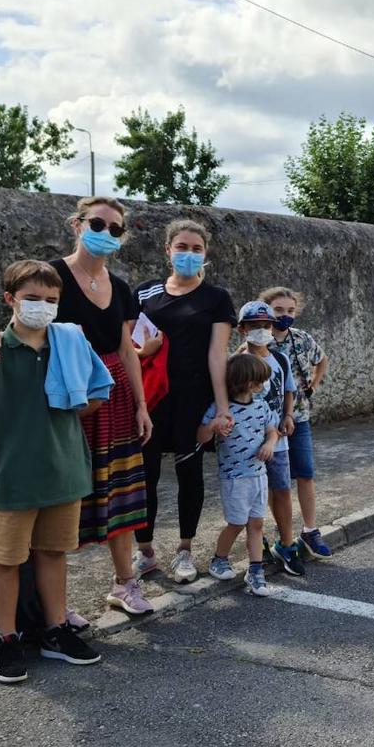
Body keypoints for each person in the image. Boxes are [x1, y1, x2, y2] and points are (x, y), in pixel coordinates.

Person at [0, 197, 154, 617]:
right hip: (65, 393)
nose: (106, 233)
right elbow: (21, 316)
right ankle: (54, 607)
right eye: (98, 223)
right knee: (58, 496)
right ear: (77, 224)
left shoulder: (121, 288)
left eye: (115, 228)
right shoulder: (54, 275)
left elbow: (127, 350)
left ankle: (125, 583)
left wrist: (142, 404)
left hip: (112, 394)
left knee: (120, 491)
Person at [0, 260, 104, 684]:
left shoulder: (68, 344)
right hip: (11, 477)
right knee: (6, 558)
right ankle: (7, 639)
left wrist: (58, 424)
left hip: (62, 472)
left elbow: (95, 395)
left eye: (51, 300)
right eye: (32, 298)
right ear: (10, 299)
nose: (43, 307)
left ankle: (55, 630)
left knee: (53, 553)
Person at [134, 219, 236, 584]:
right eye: (182, 247)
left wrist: (222, 407)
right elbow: (130, 347)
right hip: (151, 397)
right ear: (167, 250)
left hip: (193, 398)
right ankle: (144, 552)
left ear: (205, 254)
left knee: (188, 473)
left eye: (196, 249)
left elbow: (217, 355)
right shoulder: (144, 294)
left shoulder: (217, 298)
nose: (189, 254)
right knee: (144, 476)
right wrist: (146, 351)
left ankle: (184, 551)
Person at [260, 286, 333, 560]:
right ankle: (282, 533)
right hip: (269, 424)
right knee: (276, 482)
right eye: (279, 310)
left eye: (290, 310)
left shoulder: (301, 339)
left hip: (299, 418)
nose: (285, 316)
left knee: (306, 474)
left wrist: (314, 383)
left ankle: (310, 530)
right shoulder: (259, 342)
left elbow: (322, 359)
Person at [198, 354, 279, 596]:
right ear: (245, 381)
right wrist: (212, 426)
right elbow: (201, 437)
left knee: (256, 523)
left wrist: (270, 445)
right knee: (236, 522)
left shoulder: (261, 405)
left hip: (258, 475)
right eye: (259, 380)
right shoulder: (221, 409)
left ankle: (255, 571)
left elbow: (272, 431)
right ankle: (219, 559)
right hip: (235, 478)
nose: (263, 384)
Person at [234, 300, 304, 576]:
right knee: (252, 496)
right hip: (247, 444)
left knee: (282, 490)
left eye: (266, 325)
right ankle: (256, 544)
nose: (262, 331)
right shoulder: (237, 363)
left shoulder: (280, 359)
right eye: (255, 326)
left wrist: (288, 415)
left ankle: (287, 544)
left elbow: (289, 390)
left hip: (279, 441)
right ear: (242, 329)